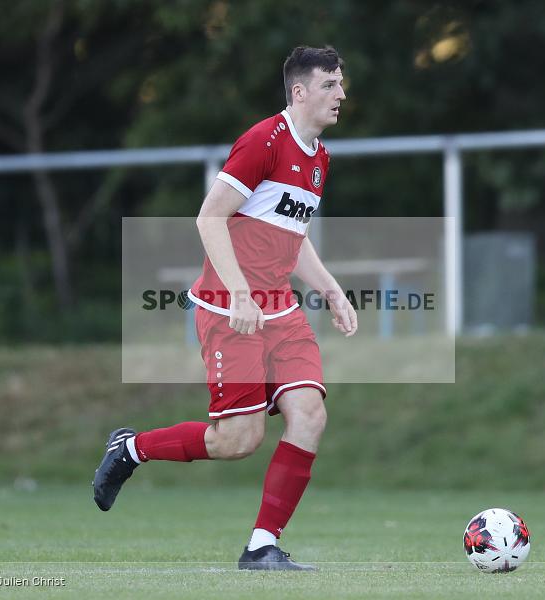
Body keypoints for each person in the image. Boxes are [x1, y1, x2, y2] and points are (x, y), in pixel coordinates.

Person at [93, 45, 356, 571]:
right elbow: (208, 219)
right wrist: (238, 293)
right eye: (330, 84)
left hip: (280, 311)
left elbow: (293, 235)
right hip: (227, 307)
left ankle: (262, 546)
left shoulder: (319, 157)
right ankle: (132, 448)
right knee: (238, 440)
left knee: (309, 414)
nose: (341, 93)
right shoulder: (264, 141)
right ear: (299, 92)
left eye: (341, 83)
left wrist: (330, 289)